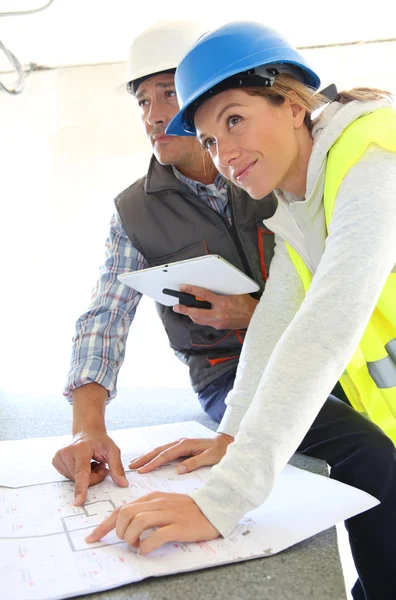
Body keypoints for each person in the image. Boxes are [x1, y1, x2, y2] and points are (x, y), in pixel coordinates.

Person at [86, 21, 396, 600]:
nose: (226, 155)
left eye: (234, 120)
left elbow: (325, 323)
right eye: (208, 140)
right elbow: (276, 327)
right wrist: (231, 433)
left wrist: (222, 500)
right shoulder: (295, 206)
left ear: (291, 102)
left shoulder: (372, 153)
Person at [52, 20, 278, 506]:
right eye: (142, 102)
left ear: (207, 97)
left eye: (167, 95)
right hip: (228, 374)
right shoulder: (133, 211)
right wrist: (85, 429)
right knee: (347, 443)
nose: (153, 117)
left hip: (315, 346)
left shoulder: (270, 167)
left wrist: (254, 312)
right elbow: (104, 319)